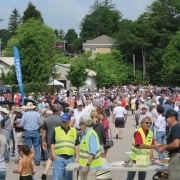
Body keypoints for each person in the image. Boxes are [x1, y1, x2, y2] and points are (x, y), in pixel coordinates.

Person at [50, 113, 79, 180]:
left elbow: (77, 144)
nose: (64, 123)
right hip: (59, 157)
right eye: (63, 121)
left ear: (69, 121)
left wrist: (77, 156)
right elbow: (52, 143)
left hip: (70, 158)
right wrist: (54, 155)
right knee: (57, 177)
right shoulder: (56, 130)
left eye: (65, 121)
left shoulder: (74, 131)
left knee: (68, 178)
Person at [41, 104, 63, 180]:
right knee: (59, 158)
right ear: (59, 111)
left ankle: (46, 172)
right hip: (60, 141)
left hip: (50, 141)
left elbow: (44, 132)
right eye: (61, 110)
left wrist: (43, 141)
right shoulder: (62, 119)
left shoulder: (47, 119)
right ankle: (57, 174)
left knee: (50, 157)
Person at [79, 115, 103, 180]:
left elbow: (92, 152)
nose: (79, 125)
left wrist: (87, 165)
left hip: (91, 167)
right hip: (84, 166)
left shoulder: (91, 134)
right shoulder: (84, 133)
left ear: (85, 124)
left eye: (80, 123)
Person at [158, 110, 180, 180]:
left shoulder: (176, 127)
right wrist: (163, 145)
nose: (165, 120)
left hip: (176, 157)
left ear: (173, 117)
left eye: (167, 117)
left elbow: (176, 144)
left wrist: (164, 148)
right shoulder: (175, 127)